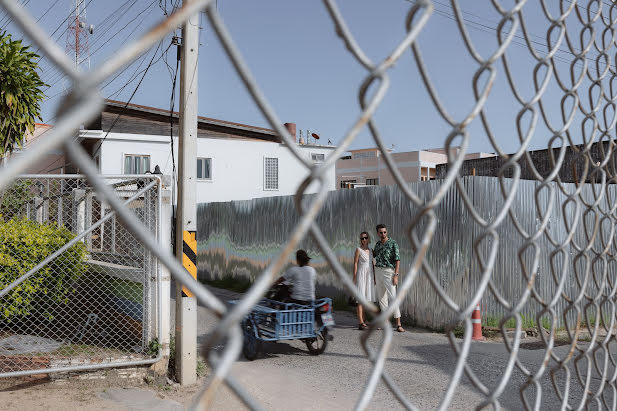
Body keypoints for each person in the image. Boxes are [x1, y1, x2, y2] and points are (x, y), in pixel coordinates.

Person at [373, 223, 405, 332]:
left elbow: (397, 260)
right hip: (378, 271)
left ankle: (398, 324)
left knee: (393, 297)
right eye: (381, 232)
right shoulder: (377, 244)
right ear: (378, 233)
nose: (383, 234)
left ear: (387, 232)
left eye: (384, 232)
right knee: (382, 299)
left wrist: (396, 275)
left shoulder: (393, 243)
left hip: (388, 271)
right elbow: (373, 257)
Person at [353, 231, 375, 330]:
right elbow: (355, 263)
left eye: (366, 238)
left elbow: (373, 264)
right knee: (360, 299)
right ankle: (361, 322)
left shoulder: (371, 250)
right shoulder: (358, 249)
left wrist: (374, 277)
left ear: (368, 239)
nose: (364, 240)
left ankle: (365, 320)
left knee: (366, 299)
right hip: (361, 275)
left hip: (369, 275)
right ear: (360, 240)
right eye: (362, 238)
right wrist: (354, 277)